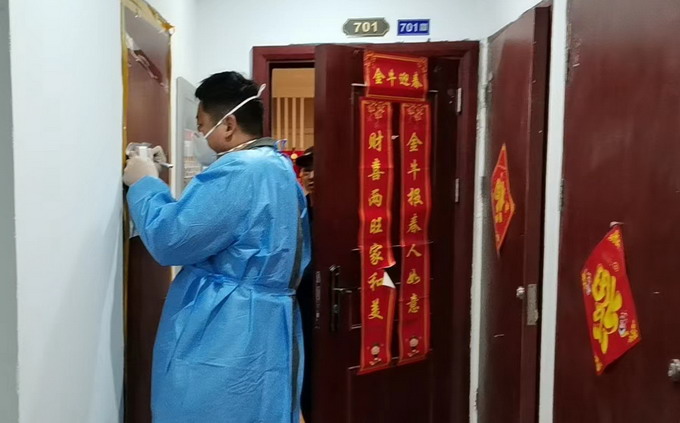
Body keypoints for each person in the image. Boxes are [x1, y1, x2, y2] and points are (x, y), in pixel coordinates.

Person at [122, 71, 310, 423]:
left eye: (200, 125)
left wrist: (145, 184)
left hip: (228, 328)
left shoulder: (239, 171)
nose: (198, 136)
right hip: (268, 324)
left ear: (228, 125)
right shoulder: (278, 168)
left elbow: (171, 240)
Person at [294, 148, 314, 420]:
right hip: (303, 301)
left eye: (315, 168)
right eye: (306, 170)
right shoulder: (300, 210)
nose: (310, 175)